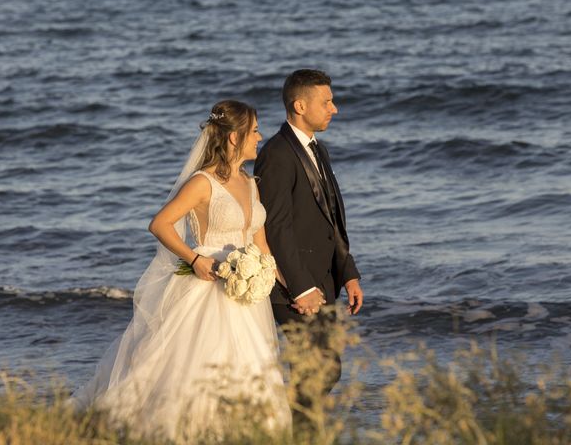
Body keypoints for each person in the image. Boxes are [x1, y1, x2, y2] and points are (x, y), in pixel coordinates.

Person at [69, 100, 291, 441]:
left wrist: (283, 283)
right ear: (234, 137)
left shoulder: (250, 183)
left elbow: (259, 241)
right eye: (255, 130)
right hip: (206, 288)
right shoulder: (202, 183)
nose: (260, 137)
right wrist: (195, 258)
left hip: (246, 296)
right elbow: (160, 224)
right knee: (193, 366)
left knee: (254, 366)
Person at [254, 69, 363, 423]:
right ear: (300, 105)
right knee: (322, 370)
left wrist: (347, 273)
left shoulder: (318, 149)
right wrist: (300, 288)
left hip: (322, 281)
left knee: (322, 370)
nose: (335, 109)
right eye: (327, 102)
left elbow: (332, 217)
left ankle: (294, 430)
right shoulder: (276, 154)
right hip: (292, 287)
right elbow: (276, 226)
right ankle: (294, 431)